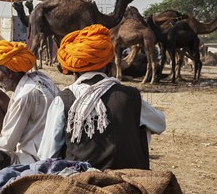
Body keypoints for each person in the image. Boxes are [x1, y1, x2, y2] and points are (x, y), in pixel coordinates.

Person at [37, 24, 166, 170]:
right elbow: (160, 124)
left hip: (80, 185)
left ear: (73, 70)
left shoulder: (62, 100)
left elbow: (47, 155)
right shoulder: (130, 95)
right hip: (127, 183)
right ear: (109, 66)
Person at [0, 40, 59, 164]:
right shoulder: (41, 78)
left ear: (10, 73)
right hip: (54, 149)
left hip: (34, 158)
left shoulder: (25, 95)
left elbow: (6, 144)